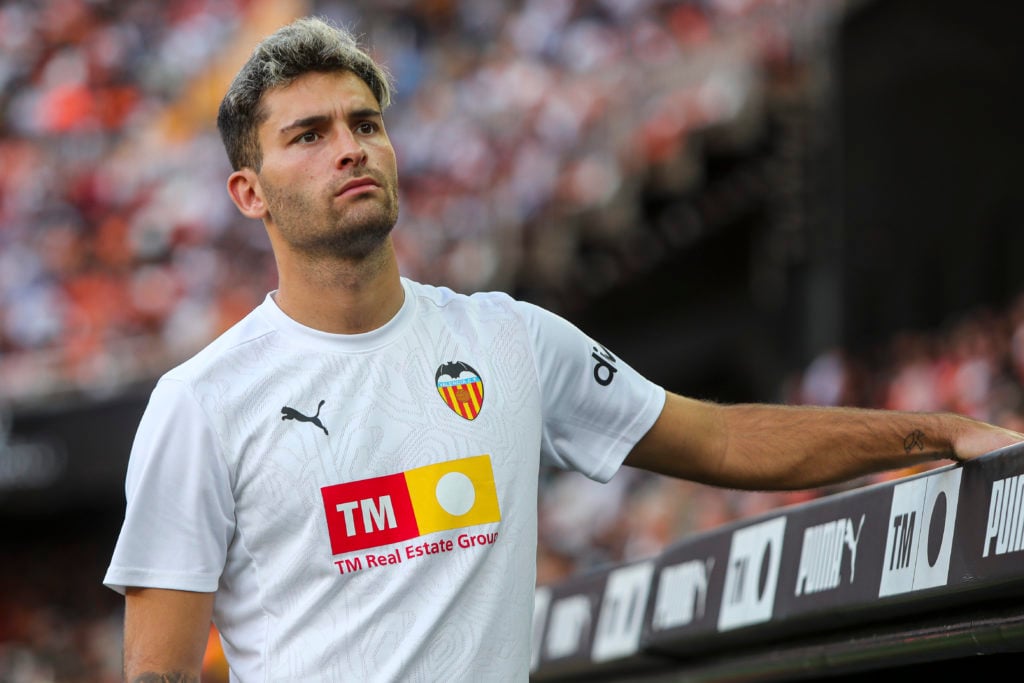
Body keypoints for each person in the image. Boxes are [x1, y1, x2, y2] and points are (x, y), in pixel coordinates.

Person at [103, 15, 1024, 683]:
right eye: (309, 135)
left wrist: (933, 432)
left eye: (366, 124)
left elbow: (722, 440)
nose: (351, 149)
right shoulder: (202, 401)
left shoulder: (507, 336)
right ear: (248, 193)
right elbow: (161, 675)